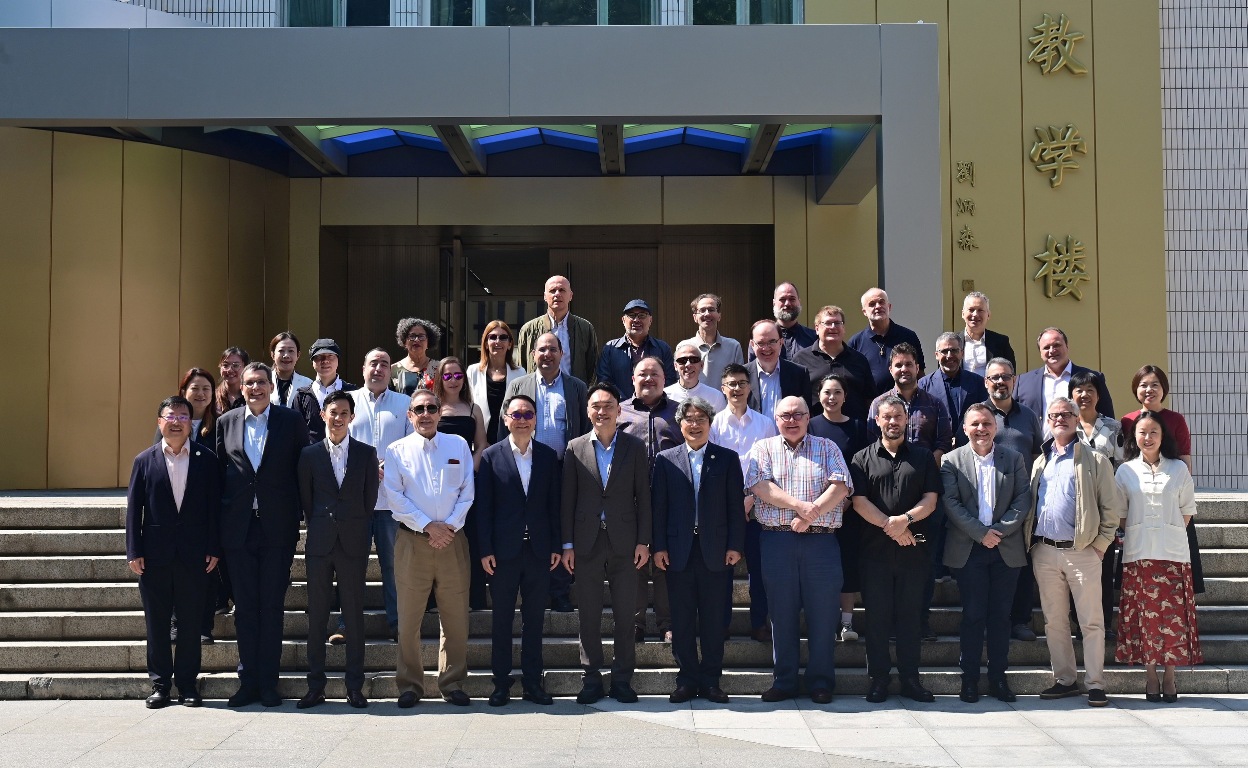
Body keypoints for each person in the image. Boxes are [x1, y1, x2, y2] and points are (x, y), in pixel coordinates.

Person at [745, 396, 853, 704]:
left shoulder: (827, 447)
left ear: (808, 417)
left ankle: (821, 682)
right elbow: (759, 486)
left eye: (798, 415)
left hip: (821, 542)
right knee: (781, 613)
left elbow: (841, 486)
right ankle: (785, 681)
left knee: (824, 614)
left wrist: (811, 515)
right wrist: (800, 507)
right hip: (776, 541)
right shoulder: (763, 448)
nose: (791, 420)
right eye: (785, 416)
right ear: (776, 419)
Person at [216, 362, 309, 707]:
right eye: (249, 383)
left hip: (277, 528)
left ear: (271, 386)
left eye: (261, 382)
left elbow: (302, 470)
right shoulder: (227, 422)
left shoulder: (291, 420)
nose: (255, 388)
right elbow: (219, 474)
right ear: (241, 388)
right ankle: (248, 681)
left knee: (271, 606)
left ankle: (269, 683)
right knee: (244, 608)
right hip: (238, 529)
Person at [1027, 397, 1125, 707]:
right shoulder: (1041, 461)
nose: (1060, 419)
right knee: (1054, 621)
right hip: (1045, 551)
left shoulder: (1095, 460)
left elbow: (1111, 509)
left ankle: (1095, 683)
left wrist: (1100, 547)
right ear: (1048, 420)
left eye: (1067, 414)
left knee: (1091, 622)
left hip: (1083, 552)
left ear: (1076, 418)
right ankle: (1065, 680)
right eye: (1054, 415)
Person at [561, 382, 652, 705]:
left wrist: (644, 541)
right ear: (588, 411)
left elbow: (644, 497)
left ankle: (622, 679)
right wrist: (567, 544)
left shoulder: (634, 447)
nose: (602, 412)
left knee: (626, 614)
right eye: (596, 406)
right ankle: (591, 678)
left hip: (625, 542)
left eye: (608, 405)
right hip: (586, 542)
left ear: (618, 409)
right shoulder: (575, 448)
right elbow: (567, 499)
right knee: (589, 614)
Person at [127, 396, 220, 709]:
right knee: (157, 624)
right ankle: (160, 685)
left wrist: (213, 547)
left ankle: (188, 685)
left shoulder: (206, 459)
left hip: (195, 555)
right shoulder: (144, 460)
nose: (177, 422)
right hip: (154, 556)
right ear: (160, 422)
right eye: (171, 416)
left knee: (191, 624)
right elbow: (133, 510)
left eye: (183, 416)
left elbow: (214, 509)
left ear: (190, 423)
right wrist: (134, 550)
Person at [385, 389, 476, 708]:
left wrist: (447, 527)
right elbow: (394, 497)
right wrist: (427, 525)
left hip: (452, 541)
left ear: (440, 412)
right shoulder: (396, 450)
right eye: (419, 409)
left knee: (455, 617)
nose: (426, 414)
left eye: (431, 408)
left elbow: (467, 492)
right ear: (409, 415)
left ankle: (452, 683)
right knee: (409, 619)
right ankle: (410, 685)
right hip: (412, 542)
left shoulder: (458, 445)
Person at [652, 396, 745, 704]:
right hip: (678, 551)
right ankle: (686, 679)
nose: (695, 425)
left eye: (701, 419)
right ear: (680, 425)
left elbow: (735, 506)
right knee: (681, 619)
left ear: (710, 423)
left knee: (714, 619)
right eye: (689, 419)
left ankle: (711, 681)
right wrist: (659, 546)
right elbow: (658, 507)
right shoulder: (666, 460)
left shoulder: (727, 459)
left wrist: (735, 545)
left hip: (715, 550)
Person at [850, 395, 941, 704]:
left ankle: (910, 679)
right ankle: (879, 680)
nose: (892, 422)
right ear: (877, 420)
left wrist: (905, 521)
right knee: (876, 619)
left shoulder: (923, 457)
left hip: (914, 553)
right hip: (874, 554)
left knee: (910, 619)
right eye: (886, 417)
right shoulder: (861, 458)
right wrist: (892, 527)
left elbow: (931, 500)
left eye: (898, 417)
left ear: (907, 420)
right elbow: (859, 502)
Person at [941, 404, 1031, 703]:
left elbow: (1022, 499)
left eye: (987, 423)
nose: (981, 429)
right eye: (975, 424)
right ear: (965, 429)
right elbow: (951, 503)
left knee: (1001, 617)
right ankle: (969, 679)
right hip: (969, 550)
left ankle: (998, 679)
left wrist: (999, 532)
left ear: (996, 427)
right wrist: (981, 533)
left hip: (1005, 548)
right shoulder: (951, 460)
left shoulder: (1013, 458)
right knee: (973, 615)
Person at [475, 394, 562, 707]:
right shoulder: (491, 456)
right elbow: (483, 507)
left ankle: (532, 683)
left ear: (535, 419)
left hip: (538, 551)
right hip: (503, 553)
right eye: (517, 414)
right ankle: (501, 684)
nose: (522, 420)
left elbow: (555, 505)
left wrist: (556, 545)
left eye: (528, 414)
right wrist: (485, 549)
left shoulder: (548, 456)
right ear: (506, 419)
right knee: (501, 621)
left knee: (534, 621)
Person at [296, 391, 379, 710]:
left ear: (352, 417)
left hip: (353, 542)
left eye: (344, 412)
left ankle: (354, 687)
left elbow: (369, 499)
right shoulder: (309, 455)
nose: (338, 417)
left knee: (354, 616)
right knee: (317, 616)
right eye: (333, 412)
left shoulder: (366, 453)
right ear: (323, 415)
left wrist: (352, 523)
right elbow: (307, 499)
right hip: (320, 543)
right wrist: (321, 523)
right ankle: (315, 686)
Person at [1114, 410, 1201, 703]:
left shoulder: (1178, 469)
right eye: (1142, 432)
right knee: (1144, 618)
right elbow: (1121, 513)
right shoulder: (1125, 471)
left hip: (1173, 555)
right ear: (1134, 437)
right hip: (1138, 553)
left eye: (1154, 432)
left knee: (1173, 619)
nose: (1148, 437)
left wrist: (1166, 531)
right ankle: (1150, 675)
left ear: (1163, 437)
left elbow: (1187, 512)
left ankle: (1170, 675)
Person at [867, 342, 953, 640]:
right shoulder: (878, 404)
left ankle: (920, 620)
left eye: (909, 364)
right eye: (898, 365)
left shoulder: (935, 403)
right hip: (886, 497)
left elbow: (943, 442)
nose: (904, 369)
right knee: (888, 561)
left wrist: (921, 469)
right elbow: (872, 445)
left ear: (918, 368)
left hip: (925, 494)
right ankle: (891, 622)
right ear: (890, 369)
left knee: (923, 561)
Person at [505, 331, 591, 613]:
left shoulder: (576, 387)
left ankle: (560, 590)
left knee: (562, 525)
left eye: (553, 349)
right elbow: (505, 426)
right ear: (532, 355)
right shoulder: (518, 385)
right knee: (533, 524)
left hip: (565, 467)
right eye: (542, 349)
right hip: (528, 464)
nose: (547, 354)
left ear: (562, 354)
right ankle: (533, 588)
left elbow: (585, 429)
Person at [709, 363, 779, 643]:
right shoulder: (714, 424)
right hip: (723, 509)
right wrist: (734, 501)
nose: (736, 389)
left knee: (759, 570)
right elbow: (711, 467)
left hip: (759, 507)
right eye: (731, 384)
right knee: (721, 570)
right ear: (723, 389)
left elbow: (773, 466)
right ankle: (721, 623)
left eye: (741, 383)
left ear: (750, 388)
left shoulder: (765, 424)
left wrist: (751, 497)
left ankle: (759, 623)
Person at [349, 348, 414, 641]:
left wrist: (390, 464)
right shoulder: (347, 401)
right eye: (373, 363)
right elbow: (336, 441)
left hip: (391, 501)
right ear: (363, 368)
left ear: (391, 371)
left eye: (384, 364)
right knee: (353, 565)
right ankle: (347, 624)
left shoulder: (405, 403)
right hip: (355, 502)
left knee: (393, 565)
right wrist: (364, 467)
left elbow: (413, 444)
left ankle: (398, 624)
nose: (378, 368)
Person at [1120, 364, 1203, 594]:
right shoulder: (1127, 420)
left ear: (1164, 389)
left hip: (1169, 494)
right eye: (1143, 385)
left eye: (1155, 385)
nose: (1149, 390)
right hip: (1138, 496)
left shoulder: (1176, 419)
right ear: (1136, 389)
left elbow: (1184, 458)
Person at [981, 357, 1045, 642]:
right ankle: (990, 621)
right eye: (994, 377)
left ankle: (1020, 620)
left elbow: (1038, 456)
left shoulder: (1028, 416)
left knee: (1021, 564)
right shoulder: (978, 414)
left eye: (1005, 376)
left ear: (1014, 380)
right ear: (986, 382)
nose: (1000, 382)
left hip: (1022, 504)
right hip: (985, 504)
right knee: (987, 566)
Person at [159, 368, 224, 643]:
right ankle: (177, 624)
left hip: (206, 508)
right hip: (175, 510)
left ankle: (204, 626)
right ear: (184, 392)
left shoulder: (220, 424)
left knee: (207, 568)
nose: (200, 394)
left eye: (206, 388)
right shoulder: (169, 422)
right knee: (175, 571)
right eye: (194, 388)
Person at [618, 357, 680, 642]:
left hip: (670, 499)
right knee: (636, 562)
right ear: (633, 379)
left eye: (654, 373)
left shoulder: (679, 412)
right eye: (642, 374)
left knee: (666, 561)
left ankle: (668, 623)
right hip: (630, 499)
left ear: (664, 379)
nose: (648, 379)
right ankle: (636, 622)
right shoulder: (620, 411)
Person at [808, 373, 873, 643]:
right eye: (827, 392)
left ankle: (847, 622)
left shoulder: (858, 427)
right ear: (819, 396)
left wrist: (847, 499)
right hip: (816, 509)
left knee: (847, 564)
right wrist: (821, 504)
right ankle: (822, 621)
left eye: (837, 392)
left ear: (845, 396)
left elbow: (862, 467)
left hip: (849, 509)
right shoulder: (809, 425)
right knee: (818, 567)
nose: (832, 397)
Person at [432, 356, 489, 612]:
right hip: (438, 485)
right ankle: (434, 600)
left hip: (468, 482)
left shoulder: (473, 408)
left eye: (458, 375)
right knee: (438, 541)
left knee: (471, 540)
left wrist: (468, 472)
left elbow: (482, 444)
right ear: (439, 379)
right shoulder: (433, 408)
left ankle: (474, 598)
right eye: (447, 376)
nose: (453, 380)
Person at [1071, 369, 1126, 636]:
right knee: (1075, 568)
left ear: (1098, 395)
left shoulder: (1113, 427)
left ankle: (1104, 622)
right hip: (1074, 509)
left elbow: (1122, 468)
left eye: (1090, 390)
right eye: (1079, 390)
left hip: (1105, 508)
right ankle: (1078, 622)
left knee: (1103, 567)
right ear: (1071, 395)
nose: (1085, 395)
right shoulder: (1066, 426)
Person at [790, 305, 875, 420]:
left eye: (837, 323)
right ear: (817, 328)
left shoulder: (859, 360)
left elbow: (870, 399)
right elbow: (793, 399)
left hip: (854, 429)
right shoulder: (801, 359)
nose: (833, 327)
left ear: (843, 328)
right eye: (828, 323)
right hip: (814, 428)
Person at [1014, 327, 1114, 423]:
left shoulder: (1093, 378)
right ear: (1040, 352)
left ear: (1067, 347)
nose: (1052, 350)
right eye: (1046, 347)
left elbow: (1108, 419)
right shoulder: (1022, 381)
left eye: (1057, 345)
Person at [516, 275, 599, 386]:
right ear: (545, 296)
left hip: (574, 394)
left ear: (570, 296)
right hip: (538, 393)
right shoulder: (529, 330)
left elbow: (593, 369)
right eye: (552, 290)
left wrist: (585, 393)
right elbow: (521, 369)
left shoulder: (585, 328)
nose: (557, 294)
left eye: (562, 290)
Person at [847, 287, 926, 395]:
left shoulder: (908, 336)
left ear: (889, 307)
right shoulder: (856, 342)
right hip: (870, 404)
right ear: (864, 311)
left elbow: (920, 373)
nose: (878, 306)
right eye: (872, 304)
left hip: (906, 402)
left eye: (881, 302)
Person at [918, 333, 988, 448]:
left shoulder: (977, 382)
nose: (949, 356)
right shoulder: (923, 385)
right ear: (936, 355)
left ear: (962, 353)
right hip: (935, 449)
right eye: (944, 351)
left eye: (954, 350)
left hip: (970, 448)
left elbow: (984, 415)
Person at [596, 299, 676, 396]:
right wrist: (624, 402)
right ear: (623, 320)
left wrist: (653, 400)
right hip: (619, 404)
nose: (636, 320)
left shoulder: (663, 348)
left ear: (650, 320)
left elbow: (670, 380)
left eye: (642, 315)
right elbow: (604, 381)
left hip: (656, 404)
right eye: (631, 315)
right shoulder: (610, 349)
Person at [468, 320, 525, 444]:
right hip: (481, 442)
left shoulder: (520, 373)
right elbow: (468, 407)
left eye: (503, 337)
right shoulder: (473, 372)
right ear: (486, 343)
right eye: (493, 337)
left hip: (511, 441)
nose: (498, 341)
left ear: (509, 344)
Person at [293, 338, 358, 443]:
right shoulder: (302, 396)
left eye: (330, 356)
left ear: (338, 360)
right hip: (312, 452)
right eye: (319, 357)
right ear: (312, 362)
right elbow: (296, 432)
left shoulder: (353, 392)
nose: (325, 361)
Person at [746, 319, 812, 419]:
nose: (766, 348)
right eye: (761, 343)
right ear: (752, 344)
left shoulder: (799, 374)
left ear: (781, 342)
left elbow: (806, 415)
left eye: (772, 342)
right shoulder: (742, 375)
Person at [678, 292, 744, 387]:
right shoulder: (683, 347)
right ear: (695, 317)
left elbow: (739, 380)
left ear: (719, 316)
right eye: (702, 310)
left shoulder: (733, 347)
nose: (707, 314)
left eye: (711, 310)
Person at [956, 291, 1016, 376]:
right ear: (963, 314)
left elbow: (1010, 375)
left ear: (988, 315)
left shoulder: (1001, 342)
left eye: (980, 310)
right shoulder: (953, 342)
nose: (975, 314)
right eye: (971, 310)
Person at [664, 341, 728, 412]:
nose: (688, 364)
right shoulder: (664, 396)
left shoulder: (716, 397)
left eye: (693, 360)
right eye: (682, 360)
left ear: (702, 365)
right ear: (675, 366)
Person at [769, 282, 818, 361]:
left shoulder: (814, 338)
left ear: (799, 302)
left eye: (792, 299)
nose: (787, 304)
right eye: (782, 299)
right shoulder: (762, 338)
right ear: (774, 303)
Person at [392, 317, 440, 395]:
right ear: (404, 341)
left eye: (421, 336)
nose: (417, 340)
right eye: (412, 336)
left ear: (428, 342)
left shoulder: (439, 368)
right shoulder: (393, 370)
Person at [269, 331, 312, 408]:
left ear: (298, 355)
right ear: (273, 355)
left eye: (291, 351)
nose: (286, 355)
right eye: (281, 351)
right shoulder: (262, 382)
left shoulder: (308, 384)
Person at [215, 347, 249, 415]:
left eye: (235, 365)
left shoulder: (251, 397)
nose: (229, 370)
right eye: (225, 365)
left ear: (246, 368)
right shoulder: (213, 397)